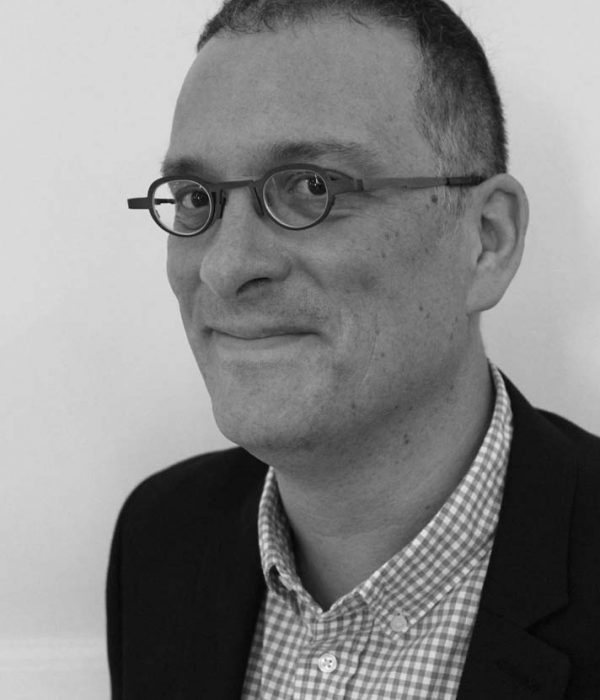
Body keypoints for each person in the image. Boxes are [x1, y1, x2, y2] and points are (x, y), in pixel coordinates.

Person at [108, 1, 600, 698]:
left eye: (312, 187)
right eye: (195, 198)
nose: (223, 266)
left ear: (486, 240)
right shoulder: (159, 541)